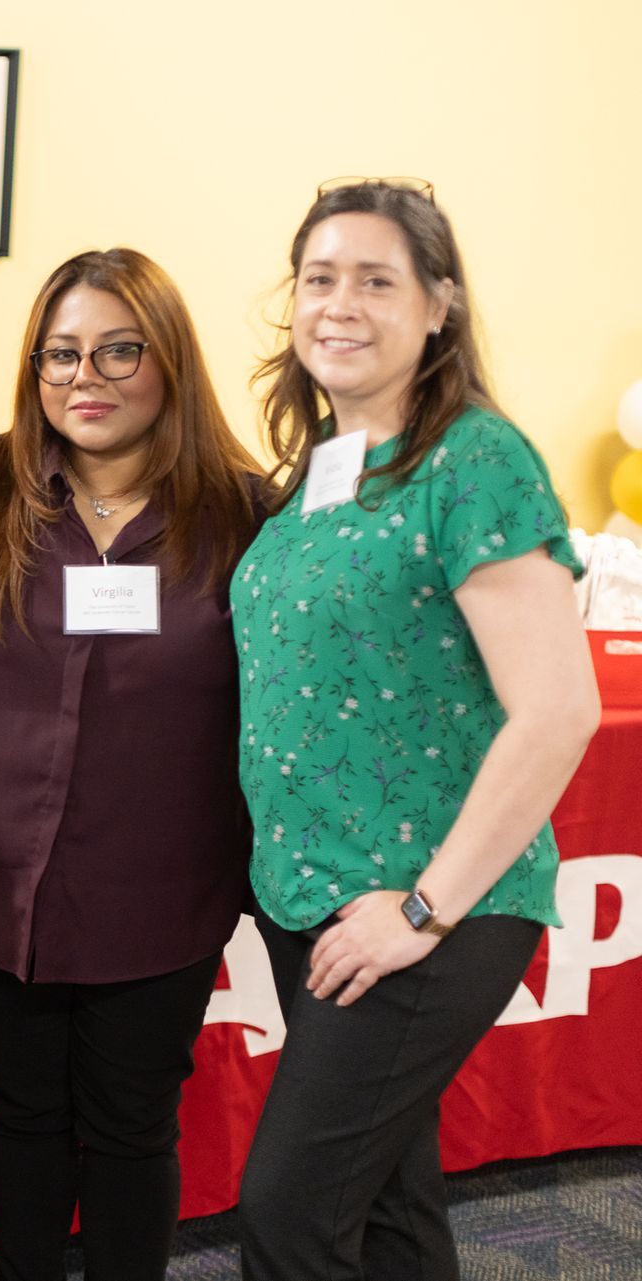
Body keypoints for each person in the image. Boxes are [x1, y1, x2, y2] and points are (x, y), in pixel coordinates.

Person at [231, 179, 601, 1278]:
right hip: (321, 898)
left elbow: (560, 709)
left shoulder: (474, 459)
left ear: (440, 304)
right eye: (318, 278)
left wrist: (427, 909)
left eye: (376, 281)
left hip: (427, 904)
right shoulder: (324, 469)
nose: (338, 305)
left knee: (289, 1213)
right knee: (386, 1209)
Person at [0, 248, 263, 1280]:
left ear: (170, 363)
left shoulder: (246, 515)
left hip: (160, 894)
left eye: (121, 350)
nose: (88, 377)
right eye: (61, 354)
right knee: (23, 1110)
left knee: (131, 1125)